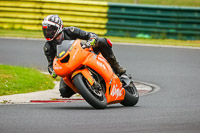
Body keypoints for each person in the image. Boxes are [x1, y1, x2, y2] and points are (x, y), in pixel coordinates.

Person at [42, 15, 126, 98]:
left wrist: (92, 39)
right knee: (64, 91)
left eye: (50, 30)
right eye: (46, 30)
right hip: (69, 66)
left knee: (102, 41)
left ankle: (116, 67)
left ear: (58, 27)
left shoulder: (70, 31)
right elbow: (50, 64)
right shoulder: (48, 47)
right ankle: (86, 89)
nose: (47, 33)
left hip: (82, 53)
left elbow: (89, 35)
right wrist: (52, 71)